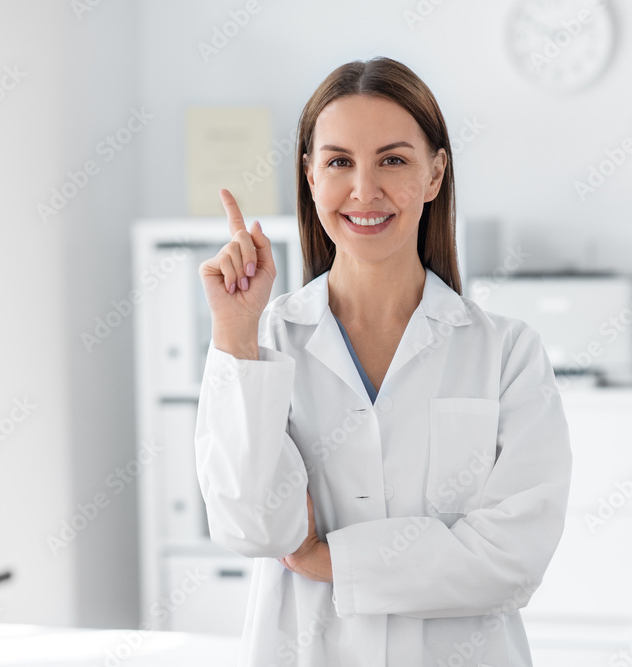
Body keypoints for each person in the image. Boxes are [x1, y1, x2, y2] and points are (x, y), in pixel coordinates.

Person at [195, 56, 572, 667]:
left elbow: (511, 559)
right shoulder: (264, 343)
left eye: (393, 160)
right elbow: (252, 529)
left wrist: (330, 559)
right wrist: (234, 332)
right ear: (311, 176)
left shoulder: (506, 352)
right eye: (339, 161)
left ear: (434, 174)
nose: (364, 190)